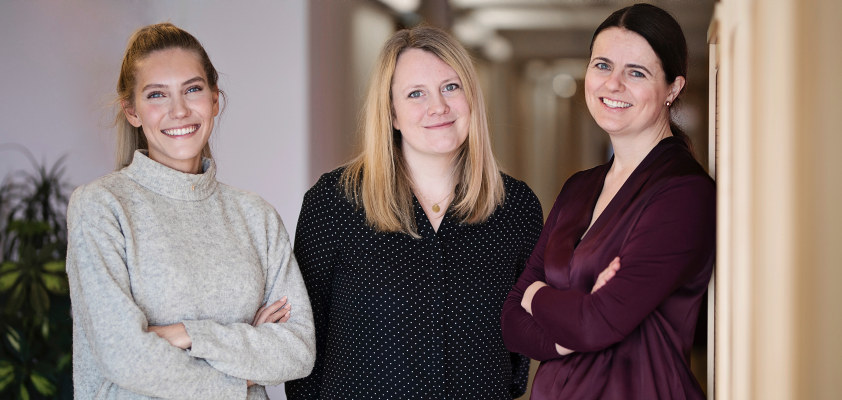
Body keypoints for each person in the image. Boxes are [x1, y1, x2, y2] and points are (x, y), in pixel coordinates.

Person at [284, 25, 543, 399]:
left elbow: (522, 338)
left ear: (472, 97)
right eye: (415, 94)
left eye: (451, 87)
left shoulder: (515, 208)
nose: (438, 107)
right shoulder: (335, 203)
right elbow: (305, 336)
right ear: (391, 114)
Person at [65, 23, 314, 399]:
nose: (179, 110)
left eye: (192, 89)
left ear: (215, 99)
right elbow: (125, 357)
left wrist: (187, 334)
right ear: (132, 111)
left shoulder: (256, 216)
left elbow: (296, 352)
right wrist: (244, 369)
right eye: (157, 95)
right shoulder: (101, 207)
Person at [501, 4, 715, 399]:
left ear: (673, 88)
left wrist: (539, 296)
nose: (612, 84)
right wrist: (569, 325)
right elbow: (512, 320)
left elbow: (593, 323)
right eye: (602, 65)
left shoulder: (684, 194)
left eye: (636, 72)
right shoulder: (579, 188)